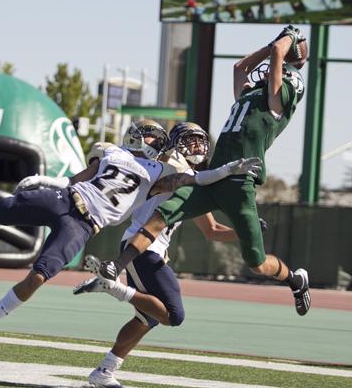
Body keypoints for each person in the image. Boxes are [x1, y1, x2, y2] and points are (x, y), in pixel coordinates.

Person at [0, 120, 261, 346]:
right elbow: (75, 180)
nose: (150, 141)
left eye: (154, 138)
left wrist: (228, 170)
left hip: (83, 224)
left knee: (40, 274)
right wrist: (44, 180)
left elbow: (196, 178)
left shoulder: (158, 176)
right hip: (63, 198)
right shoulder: (112, 152)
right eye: (148, 136)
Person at [90, 25, 311, 318]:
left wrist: (289, 39)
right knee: (164, 212)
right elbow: (240, 66)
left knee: (257, 263)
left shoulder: (275, 105)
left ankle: (295, 280)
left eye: (276, 72)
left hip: (240, 183)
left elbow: (277, 54)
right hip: (215, 178)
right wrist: (273, 42)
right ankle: (115, 266)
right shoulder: (249, 98)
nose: (267, 72)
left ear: (286, 86)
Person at [74, 122, 250, 388]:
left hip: (151, 249)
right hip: (142, 247)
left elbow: (212, 230)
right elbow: (158, 164)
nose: (197, 146)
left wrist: (245, 231)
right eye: (190, 140)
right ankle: (112, 287)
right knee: (173, 314)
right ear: (174, 144)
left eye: (201, 140)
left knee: (147, 318)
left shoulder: (190, 178)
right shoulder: (168, 166)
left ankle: (104, 372)